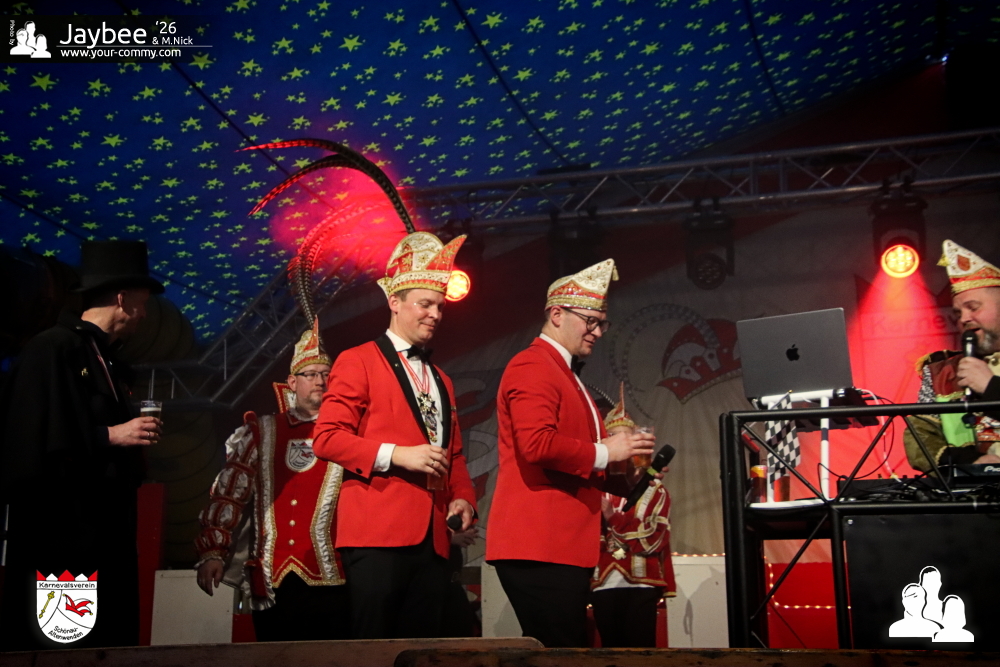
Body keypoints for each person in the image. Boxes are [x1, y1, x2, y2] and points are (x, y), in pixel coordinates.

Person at [313, 231, 478, 639]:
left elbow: (455, 455)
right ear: (394, 302)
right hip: (377, 534)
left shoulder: (442, 379)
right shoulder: (358, 361)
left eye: (439, 306)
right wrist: (398, 454)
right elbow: (326, 437)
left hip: (434, 539)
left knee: (422, 649)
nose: (435, 314)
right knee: (373, 649)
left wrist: (463, 498)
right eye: (425, 304)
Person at [0, 240, 163, 650]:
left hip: (106, 539)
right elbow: (26, 441)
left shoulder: (105, 359)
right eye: (142, 304)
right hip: (63, 544)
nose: (144, 315)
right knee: (66, 646)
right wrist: (112, 434)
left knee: (107, 646)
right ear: (122, 299)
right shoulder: (53, 349)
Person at [485, 259, 655, 648]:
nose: (596, 332)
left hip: (561, 544)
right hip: (540, 543)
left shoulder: (566, 375)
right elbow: (537, 444)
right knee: (560, 649)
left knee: (564, 648)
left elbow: (577, 461)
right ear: (557, 314)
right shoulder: (533, 365)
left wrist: (627, 477)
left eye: (602, 324)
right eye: (590, 321)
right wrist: (606, 450)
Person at [193, 321, 349, 641]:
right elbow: (229, 494)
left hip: (334, 575)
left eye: (326, 374)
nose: (320, 381)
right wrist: (213, 552)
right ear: (292, 382)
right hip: (271, 577)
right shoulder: (261, 431)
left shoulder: (349, 433)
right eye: (311, 374)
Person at [903, 240, 1000, 472]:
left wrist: (991, 388)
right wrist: (968, 464)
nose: (964, 318)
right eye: (957, 313)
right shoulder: (941, 372)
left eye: (973, 307)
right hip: (971, 489)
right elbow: (919, 437)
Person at [590, 385, 676, 648]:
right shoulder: (596, 489)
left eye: (627, 439)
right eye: (614, 438)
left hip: (641, 583)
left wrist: (612, 520)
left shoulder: (655, 490)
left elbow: (652, 540)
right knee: (610, 652)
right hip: (603, 583)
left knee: (640, 653)